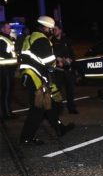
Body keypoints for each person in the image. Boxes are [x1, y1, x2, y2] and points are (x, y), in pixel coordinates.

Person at [18, 16, 74, 144]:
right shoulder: (42, 40)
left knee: (50, 104)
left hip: (31, 75)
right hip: (36, 77)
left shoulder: (31, 37)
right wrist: (60, 61)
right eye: (51, 29)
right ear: (45, 28)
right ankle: (26, 138)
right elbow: (48, 62)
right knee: (38, 109)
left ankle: (59, 128)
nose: (52, 31)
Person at [51, 24, 78, 114]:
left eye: (55, 29)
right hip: (58, 70)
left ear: (60, 30)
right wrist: (59, 60)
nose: (54, 31)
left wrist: (70, 60)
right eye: (53, 30)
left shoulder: (67, 40)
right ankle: (59, 109)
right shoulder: (51, 41)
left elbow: (72, 54)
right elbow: (50, 55)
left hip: (68, 69)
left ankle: (71, 107)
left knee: (70, 89)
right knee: (58, 91)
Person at [0, 21, 18, 120]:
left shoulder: (8, 38)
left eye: (9, 28)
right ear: (2, 29)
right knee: (6, 92)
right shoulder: (1, 38)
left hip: (9, 69)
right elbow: (3, 53)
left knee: (10, 91)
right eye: (7, 28)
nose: (9, 29)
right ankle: (6, 114)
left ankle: (8, 111)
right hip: (4, 68)